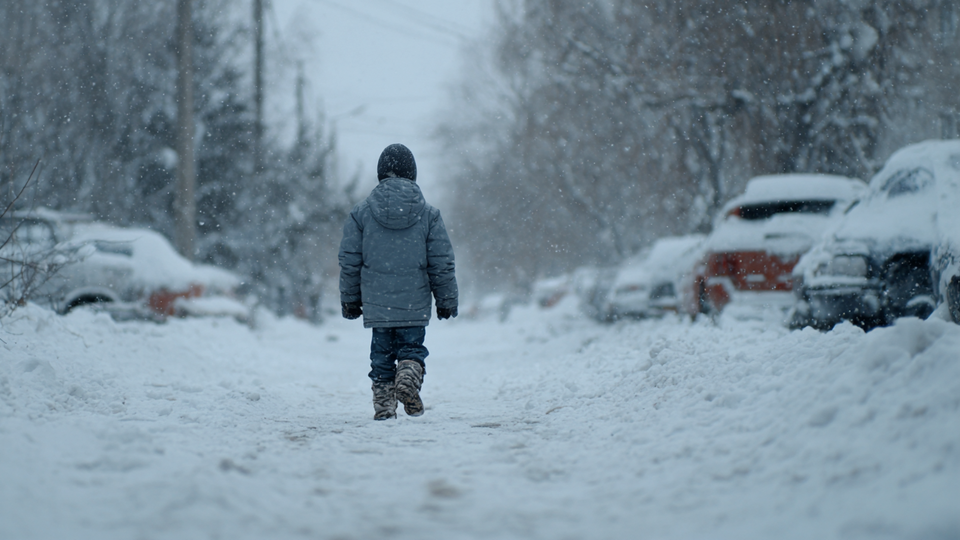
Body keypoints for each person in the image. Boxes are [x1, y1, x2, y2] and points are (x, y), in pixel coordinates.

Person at [338, 143, 459, 420]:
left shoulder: (361, 214)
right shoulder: (429, 215)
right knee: (411, 348)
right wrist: (446, 299)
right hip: (413, 303)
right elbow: (442, 262)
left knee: (380, 355)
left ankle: (383, 405)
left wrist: (350, 299)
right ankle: (408, 373)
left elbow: (349, 261)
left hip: (378, 304)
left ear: (380, 174)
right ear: (412, 175)